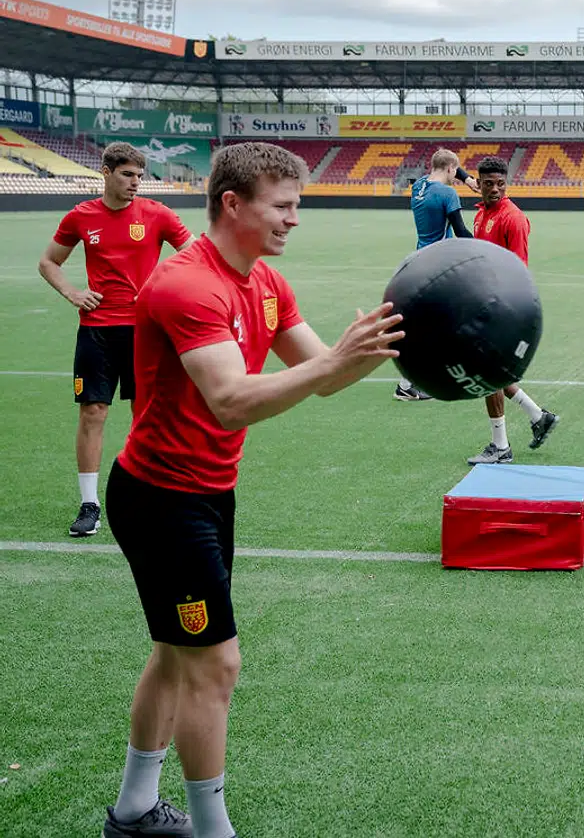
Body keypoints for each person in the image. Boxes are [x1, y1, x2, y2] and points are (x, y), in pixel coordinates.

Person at [100, 142, 404, 838]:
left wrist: (398, 341)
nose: (294, 220)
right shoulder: (185, 285)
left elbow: (322, 373)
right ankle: (214, 832)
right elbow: (231, 400)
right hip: (160, 500)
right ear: (232, 204)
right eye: (283, 206)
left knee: (177, 654)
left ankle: (133, 812)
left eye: (297, 205)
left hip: (208, 494)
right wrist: (336, 359)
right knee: (216, 663)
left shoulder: (267, 284)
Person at [38, 142, 194, 538]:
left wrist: (160, 288)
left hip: (146, 332)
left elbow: (195, 257)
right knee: (93, 412)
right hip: (97, 331)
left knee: (147, 415)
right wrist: (73, 293)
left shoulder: (157, 214)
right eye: (127, 174)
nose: (135, 183)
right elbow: (48, 262)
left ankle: (151, 495)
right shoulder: (80, 217)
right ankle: (90, 505)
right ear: (105, 173)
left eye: (140, 176)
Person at [464, 155, 559, 463]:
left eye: (500, 184)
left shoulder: (512, 218)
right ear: (479, 184)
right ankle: (537, 417)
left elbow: (518, 270)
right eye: (488, 184)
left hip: (503, 307)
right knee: (493, 371)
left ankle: (501, 446)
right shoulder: (481, 214)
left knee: (487, 373)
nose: (495, 189)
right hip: (486, 302)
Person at [393, 148, 473, 402]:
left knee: (437, 321)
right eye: (454, 172)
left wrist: (466, 177)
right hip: (439, 264)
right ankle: (408, 383)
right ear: (450, 168)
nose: (455, 178)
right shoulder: (448, 193)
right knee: (440, 323)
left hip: (420, 260)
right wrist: (486, 247)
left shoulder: (418, 187)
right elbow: (460, 231)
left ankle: (421, 377)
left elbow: (444, 163)